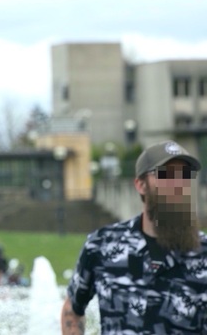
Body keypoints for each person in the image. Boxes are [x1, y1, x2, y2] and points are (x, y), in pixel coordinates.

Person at [61, 141, 207, 334]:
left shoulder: (203, 252)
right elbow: (72, 310)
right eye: (166, 174)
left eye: (184, 175)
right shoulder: (102, 245)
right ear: (140, 185)